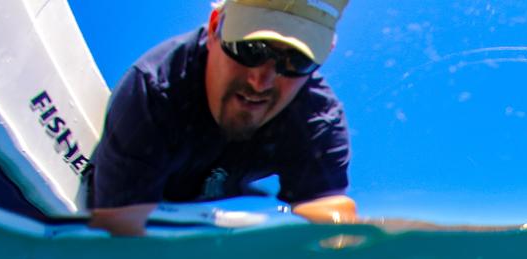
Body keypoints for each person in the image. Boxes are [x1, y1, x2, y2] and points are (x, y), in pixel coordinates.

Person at [88, 0, 356, 236]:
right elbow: (120, 235)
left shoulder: (315, 119)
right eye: (250, 49)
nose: (262, 81)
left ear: (324, 55)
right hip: (135, 193)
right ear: (215, 26)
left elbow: (328, 209)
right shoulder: (155, 93)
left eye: (297, 60)